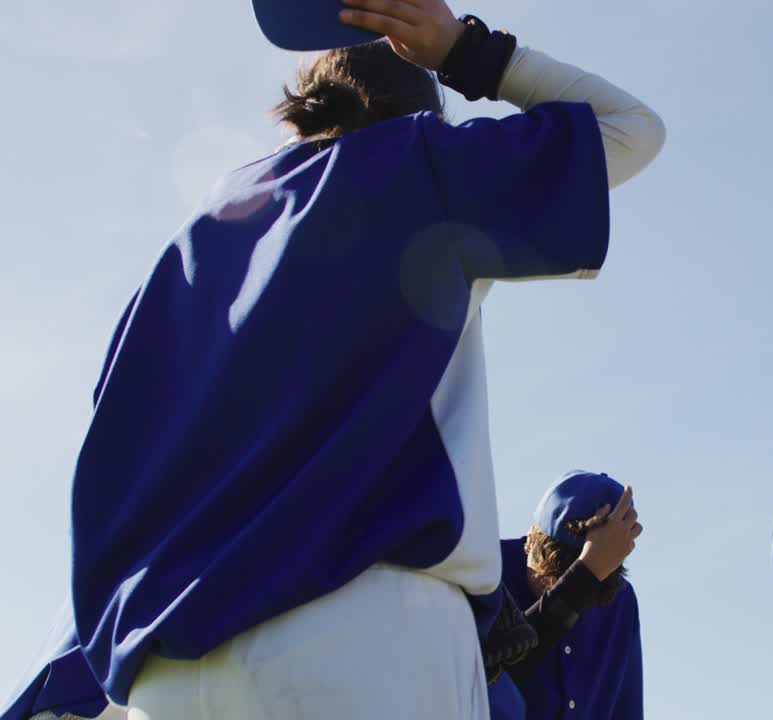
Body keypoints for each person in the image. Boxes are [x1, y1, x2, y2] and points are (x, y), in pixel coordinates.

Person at [0, 0, 664, 717]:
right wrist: (459, 48)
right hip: (363, 632)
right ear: (425, 109)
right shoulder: (421, 164)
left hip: (165, 666)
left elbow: (111, 455)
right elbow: (633, 131)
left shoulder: (197, 234)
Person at [488, 470, 643, 720]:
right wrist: (582, 579)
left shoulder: (621, 602)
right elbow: (481, 681)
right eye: (548, 579)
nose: (555, 592)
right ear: (531, 541)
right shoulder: (486, 572)